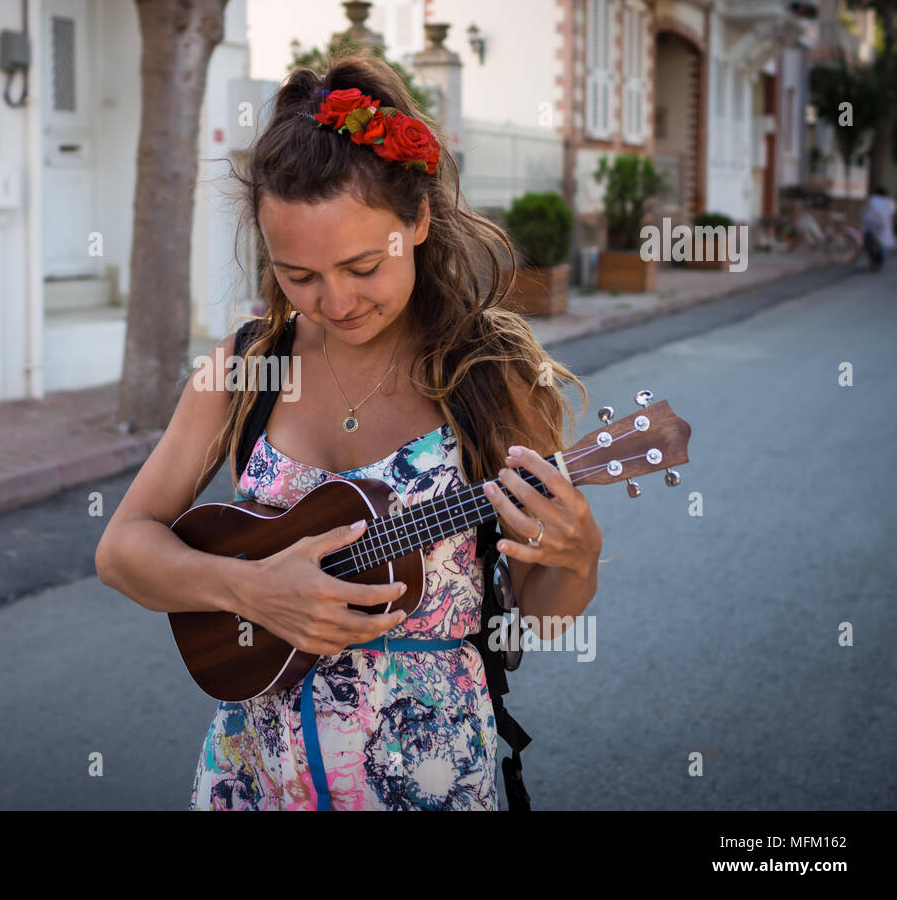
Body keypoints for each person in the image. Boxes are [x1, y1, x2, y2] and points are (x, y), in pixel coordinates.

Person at [94, 50, 603, 810]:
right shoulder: (246, 367)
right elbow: (123, 547)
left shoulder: (489, 381)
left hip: (427, 786)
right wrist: (246, 586)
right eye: (299, 275)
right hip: (251, 781)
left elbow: (537, 618)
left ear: (419, 219)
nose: (335, 301)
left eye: (364, 265)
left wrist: (579, 551)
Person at [860, 185, 895, 271]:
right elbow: (892, 214)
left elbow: (864, 211)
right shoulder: (890, 202)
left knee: (869, 244)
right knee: (881, 244)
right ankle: (880, 260)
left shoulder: (872, 199)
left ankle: (873, 261)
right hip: (883, 227)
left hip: (870, 226)